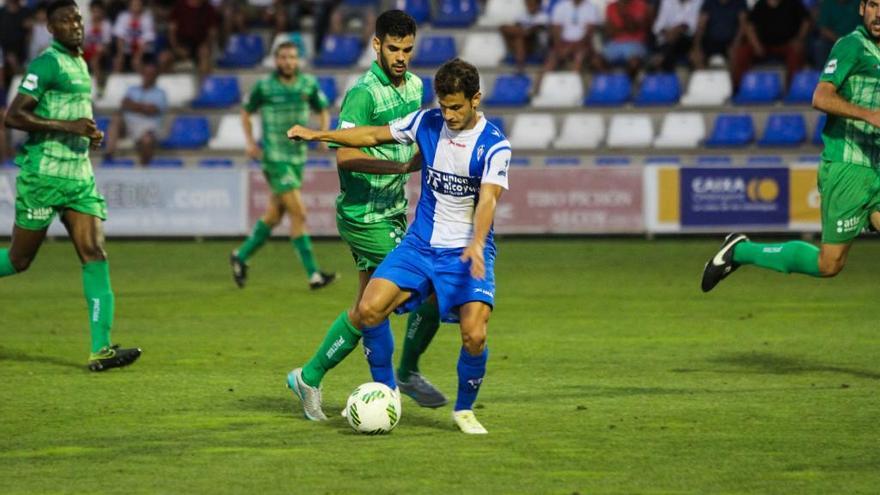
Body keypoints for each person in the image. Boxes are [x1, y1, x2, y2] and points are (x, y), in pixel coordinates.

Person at [287, 58, 512, 434]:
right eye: (443, 105)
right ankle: (386, 386)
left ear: (476, 99)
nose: (449, 114)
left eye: (456, 106)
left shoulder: (495, 145)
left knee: (475, 334)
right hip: (420, 246)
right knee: (370, 307)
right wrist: (317, 135)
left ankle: (464, 409)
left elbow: (488, 200)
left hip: (466, 251)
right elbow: (371, 135)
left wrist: (475, 244)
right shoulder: (427, 122)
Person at [283, 10, 447, 420]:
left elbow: (409, 138)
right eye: (393, 48)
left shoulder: (414, 86)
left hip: (393, 212)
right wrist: (398, 167)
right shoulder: (363, 93)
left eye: (408, 49)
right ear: (377, 45)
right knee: (424, 288)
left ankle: (310, 376)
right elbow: (346, 156)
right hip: (363, 217)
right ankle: (394, 384)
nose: (401, 57)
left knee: (365, 309)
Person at [701, 0, 880, 292]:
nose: (879, 13)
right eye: (873, 5)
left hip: (876, 167)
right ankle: (741, 251)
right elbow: (820, 98)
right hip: (849, 168)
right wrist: (869, 115)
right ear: (862, 9)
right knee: (829, 264)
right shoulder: (852, 46)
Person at [1, 0, 141, 371]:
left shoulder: (80, 62)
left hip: (78, 177)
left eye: (77, 17)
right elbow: (13, 116)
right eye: (64, 20)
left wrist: (89, 134)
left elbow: (72, 115)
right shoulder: (46, 63)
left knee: (94, 253)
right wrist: (70, 128)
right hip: (44, 177)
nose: (74, 24)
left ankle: (101, 349)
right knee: (19, 260)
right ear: (51, 28)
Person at [229, 41, 337, 290]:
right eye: (284, 57)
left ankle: (241, 255)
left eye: (292, 57)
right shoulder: (264, 87)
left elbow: (322, 109)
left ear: (298, 60)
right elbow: (246, 112)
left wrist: (321, 133)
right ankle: (314, 275)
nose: (288, 62)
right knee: (299, 213)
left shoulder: (308, 84)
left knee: (275, 215)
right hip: (275, 157)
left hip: (297, 157)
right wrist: (249, 141)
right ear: (276, 61)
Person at [731, 0, 810, 88]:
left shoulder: (793, 3)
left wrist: (799, 39)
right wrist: (756, 44)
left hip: (786, 45)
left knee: (796, 52)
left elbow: (806, 21)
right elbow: (749, 26)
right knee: (742, 52)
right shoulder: (760, 5)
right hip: (763, 45)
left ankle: (792, 88)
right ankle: (739, 87)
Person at [104, 58, 167, 165]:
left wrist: (132, 105)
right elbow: (124, 104)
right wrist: (142, 107)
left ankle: (144, 168)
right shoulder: (132, 89)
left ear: (156, 76)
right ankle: (109, 154)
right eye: (146, 73)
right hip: (129, 124)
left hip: (148, 125)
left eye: (151, 74)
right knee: (116, 119)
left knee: (147, 140)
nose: (148, 76)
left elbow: (152, 110)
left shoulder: (160, 93)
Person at [690, 0, 748, 69]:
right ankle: (704, 78)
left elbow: (743, 26)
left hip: (731, 41)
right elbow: (701, 26)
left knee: (737, 56)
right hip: (710, 41)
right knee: (696, 56)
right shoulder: (709, 2)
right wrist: (697, 47)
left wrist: (736, 45)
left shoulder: (740, 2)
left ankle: (731, 79)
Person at [499, 0, 549, 73]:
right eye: (528, 4)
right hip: (523, 43)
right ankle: (519, 61)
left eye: (532, 4)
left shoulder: (543, 17)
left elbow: (536, 31)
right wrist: (524, 32)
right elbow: (516, 28)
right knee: (506, 29)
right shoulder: (522, 16)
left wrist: (526, 32)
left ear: (538, 5)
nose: (529, 6)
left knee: (520, 38)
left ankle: (519, 65)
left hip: (535, 46)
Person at [813, 0, 862, 67]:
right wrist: (840, 40)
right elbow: (823, 29)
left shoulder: (858, 3)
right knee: (819, 45)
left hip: (855, 40)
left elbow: (865, 24)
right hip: (833, 41)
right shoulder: (828, 3)